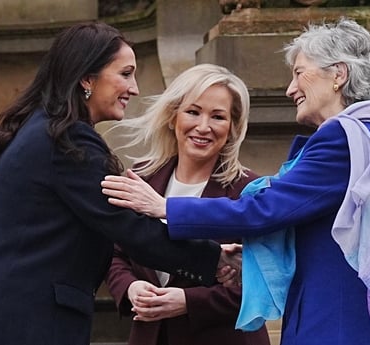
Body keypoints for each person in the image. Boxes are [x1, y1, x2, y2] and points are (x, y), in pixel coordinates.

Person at [101, 18, 370, 345]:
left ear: (338, 74)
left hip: (342, 329)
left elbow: (264, 210)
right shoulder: (368, 139)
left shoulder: (345, 139)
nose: (290, 89)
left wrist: (164, 206)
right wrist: (245, 258)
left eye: (298, 72)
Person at [0, 21, 240, 345]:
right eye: (126, 73)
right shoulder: (66, 141)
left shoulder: (37, 129)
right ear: (87, 78)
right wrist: (215, 260)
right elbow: (129, 227)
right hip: (25, 324)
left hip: (3, 318)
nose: (135, 88)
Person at [104, 63, 271, 345]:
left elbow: (265, 280)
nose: (203, 127)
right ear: (173, 117)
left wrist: (188, 301)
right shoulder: (141, 178)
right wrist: (130, 287)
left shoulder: (251, 190)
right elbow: (114, 253)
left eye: (218, 117)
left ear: (232, 128)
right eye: (193, 112)